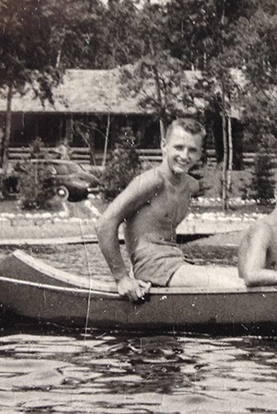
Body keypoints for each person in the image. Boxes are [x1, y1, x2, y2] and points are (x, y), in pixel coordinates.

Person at [96, 117, 240, 302]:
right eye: (178, 147)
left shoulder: (190, 185)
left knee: (241, 275)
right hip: (151, 267)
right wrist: (122, 278)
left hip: (176, 261)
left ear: (200, 154)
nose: (185, 156)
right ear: (164, 146)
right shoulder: (150, 182)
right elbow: (104, 224)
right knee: (235, 284)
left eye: (192, 150)